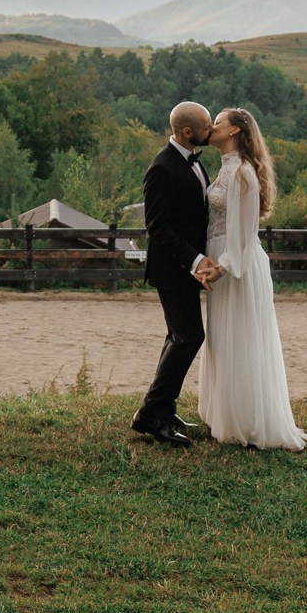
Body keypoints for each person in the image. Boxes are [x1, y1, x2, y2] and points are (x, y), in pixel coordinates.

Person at [199, 107, 307, 451]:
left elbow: (245, 233)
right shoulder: (224, 170)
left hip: (240, 266)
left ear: (234, 130)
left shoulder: (244, 173)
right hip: (220, 259)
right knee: (223, 338)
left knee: (241, 339)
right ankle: (229, 416)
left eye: (217, 122)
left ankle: (248, 422)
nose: (211, 127)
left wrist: (223, 265)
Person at [131, 101, 218, 447]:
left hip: (187, 269)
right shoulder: (162, 168)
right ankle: (151, 414)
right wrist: (195, 261)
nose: (210, 131)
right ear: (187, 132)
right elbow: (158, 228)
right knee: (188, 338)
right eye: (206, 126)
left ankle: (163, 409)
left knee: (177, 338)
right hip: (172, 270)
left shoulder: (194, 163)